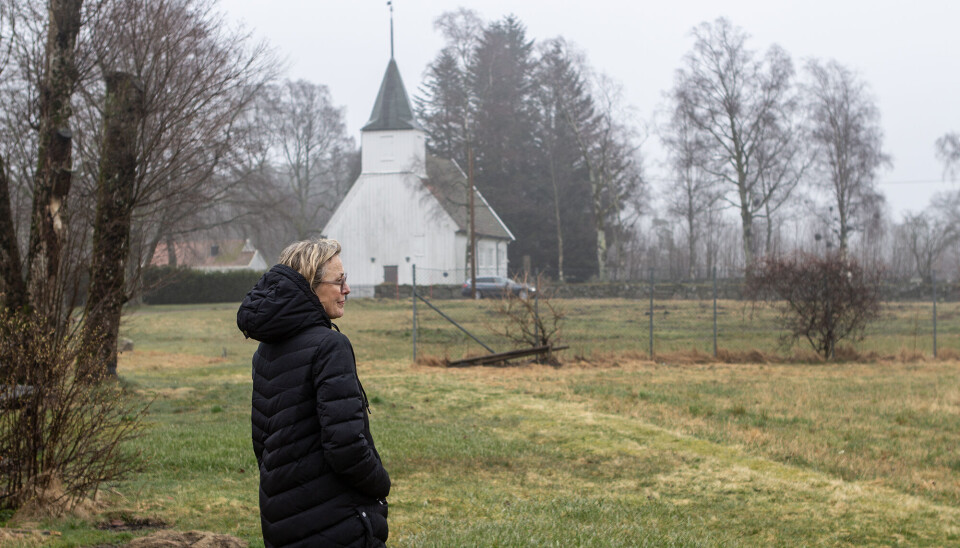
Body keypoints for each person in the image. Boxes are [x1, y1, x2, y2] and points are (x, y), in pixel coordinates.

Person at [237, 239, 389, 547]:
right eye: (339, 281)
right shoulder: (330, 346)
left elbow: (263, 445)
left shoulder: (266, 351)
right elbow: (346, 446)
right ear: (310, 286)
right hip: (336, 523)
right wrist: (380, 483)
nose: (346, 290)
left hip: (282, 519)